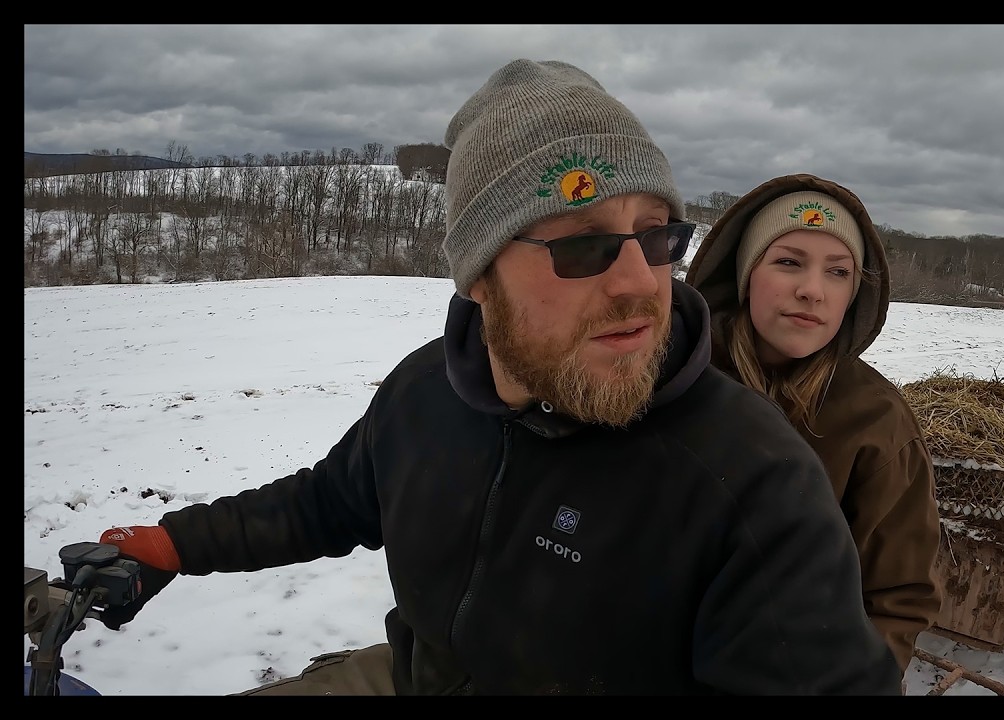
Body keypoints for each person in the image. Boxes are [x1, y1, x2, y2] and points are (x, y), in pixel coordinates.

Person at [90, 61, 902, 695]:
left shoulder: (750, 483)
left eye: (656, 237)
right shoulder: (425, 395)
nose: (639, 282)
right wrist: (175, 544)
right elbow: (330, 500)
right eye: (582, 245)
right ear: (479, 280)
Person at [684, 174, 943, 678]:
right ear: (745, 273)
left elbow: (897, 598)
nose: (812, 291)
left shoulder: (877, 421)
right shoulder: (673, 382)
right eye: (788, 262)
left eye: (838, 272)